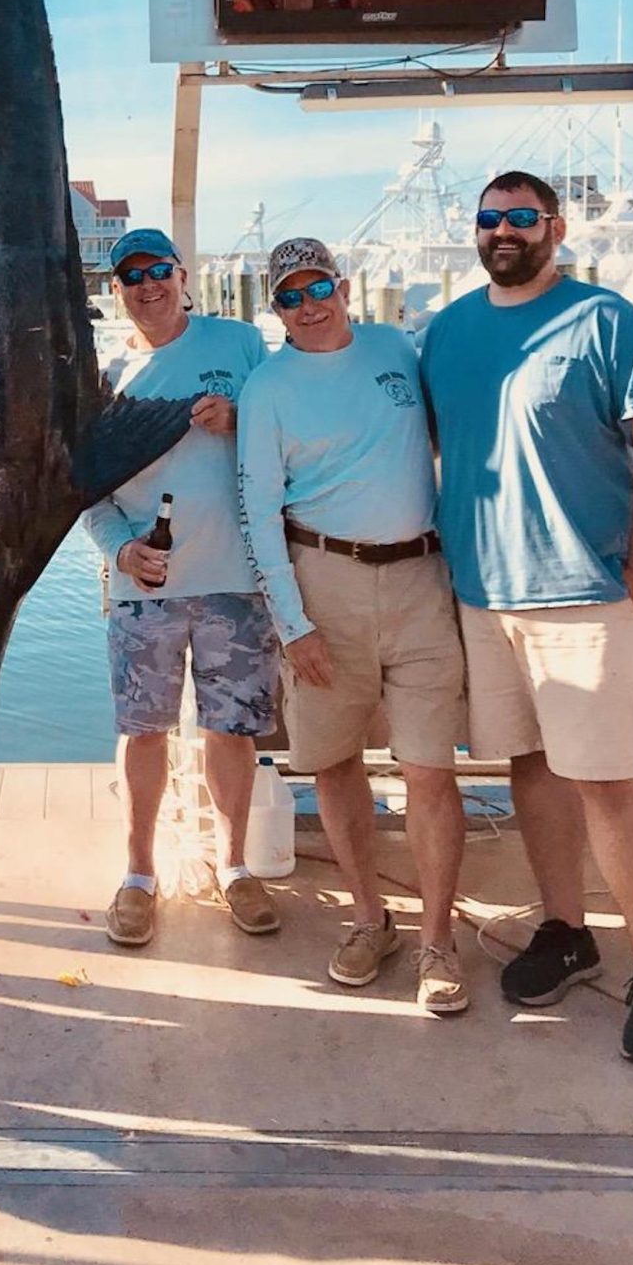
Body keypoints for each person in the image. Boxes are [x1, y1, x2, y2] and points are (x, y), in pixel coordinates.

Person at [421, 170, 633, 1067]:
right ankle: (566, 929)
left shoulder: (607, 322)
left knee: (611, 785)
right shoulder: (448, 333)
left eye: (521, 218)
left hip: (584, 596)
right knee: (533, 767)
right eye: (489, 217)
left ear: (556, 227)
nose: (504, 230)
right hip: (482, 596)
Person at [237, 238, 469, 1014]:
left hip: (421, 580)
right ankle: (371, 919)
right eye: (290, 298)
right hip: (321, 584)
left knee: (430, 769)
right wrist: (291, 623)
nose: (308, 307)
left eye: (318, 289)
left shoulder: (397, 346)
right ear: (275, 309)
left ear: (343, 285)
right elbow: (257, 514)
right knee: (334, 763)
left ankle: (439, 940)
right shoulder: (266, 388)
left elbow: (452, 433)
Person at [81, 227, 281, 947]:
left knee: (233, 729)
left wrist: (243, 422)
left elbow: (284, 435)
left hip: (236, 581)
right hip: (145, 589)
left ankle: (234, 867)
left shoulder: (239, 344)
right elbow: (85, 489)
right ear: (117, 289)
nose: (147, 286)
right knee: (144, 731)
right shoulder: (103, 373)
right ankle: (139, 873)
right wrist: (121, 551)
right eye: (130, 276)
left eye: (158, 270)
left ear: (182, 273)